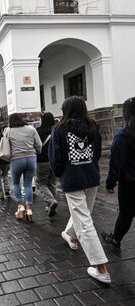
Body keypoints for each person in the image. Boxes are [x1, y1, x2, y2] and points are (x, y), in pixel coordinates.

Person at [49, 96, 110, 284]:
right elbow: (97, 152)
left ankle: (101, 268)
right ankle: (70, 236)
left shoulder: (59, 129)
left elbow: (55, 158)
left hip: (72, 178)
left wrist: (63, 173)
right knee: (84, 215)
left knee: (84, 221)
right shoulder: (93, 126)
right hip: (91, 176)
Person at [102, 97, 135, 250]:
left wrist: (110, 183)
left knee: (126, 214)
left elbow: (116, 163)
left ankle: (116, 240)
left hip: (129, 183)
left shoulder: (123, 135)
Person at [7, 113, 42, 222]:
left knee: (16, 183)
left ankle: (20, 207)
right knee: (28, 185)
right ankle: (30, 209)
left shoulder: (8, 130)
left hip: (16, 159)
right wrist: (38, 152)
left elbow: (6, 145)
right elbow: (39, 144)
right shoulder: (31, 129)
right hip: (31, 158)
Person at [36, 112, 58, 217]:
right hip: (54, 161)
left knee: (40, 183)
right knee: (52, 184)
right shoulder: (56, 130)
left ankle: (51, 201)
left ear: (43, 120)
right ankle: (51, 206)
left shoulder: (38, 131)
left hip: (42, 161)